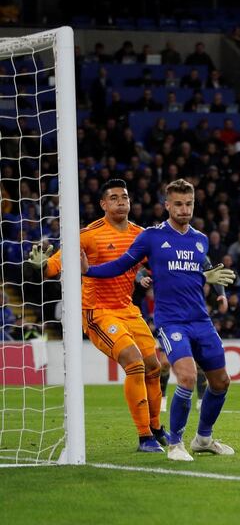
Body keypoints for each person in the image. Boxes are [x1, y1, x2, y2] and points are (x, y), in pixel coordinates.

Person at [82, 179, 237, 461]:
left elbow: (208, 268)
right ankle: (176, 443)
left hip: (200, 320)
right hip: (171, 321)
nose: (184, 209)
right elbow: (121, 265)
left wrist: (221, 293)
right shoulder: (151, 237)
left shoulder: (200, 239)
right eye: (178, 204)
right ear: (167, 205)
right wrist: (88, 270)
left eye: (188, 204)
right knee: (188, 377)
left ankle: (203, 438)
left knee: (222, 381)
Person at [28, 179, 167, 452]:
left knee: (156, 367)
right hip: (98, 312)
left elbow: (163, 264)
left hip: (128, 310)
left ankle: (156, 427)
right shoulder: (88, 235)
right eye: (114, 198)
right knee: (135, 363)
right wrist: (39, 267)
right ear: (103, 204)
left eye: (124, 197)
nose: (120, 202)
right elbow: (53, 267)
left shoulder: (140, 235)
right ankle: (144, 438)